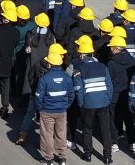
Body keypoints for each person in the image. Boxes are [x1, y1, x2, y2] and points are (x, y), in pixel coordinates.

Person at [73, 35, 115, 164]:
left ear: (82, 55)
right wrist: (107, 99)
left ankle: (88, 154)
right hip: (103, 102)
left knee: (87, 129)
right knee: (105, 129)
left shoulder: (79, 69)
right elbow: (109, 86)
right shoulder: (103, 66)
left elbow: (79, 89)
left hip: (88, 103)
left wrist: (81, 104)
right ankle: (107, 157)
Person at [35, 49, 73, 165]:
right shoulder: (67, 77)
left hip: (47, 111)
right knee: (61, 134)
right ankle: (62, 158)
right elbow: (71, 95)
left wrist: (40, 108)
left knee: (47, 135)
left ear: (49, 64)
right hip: (61, 111)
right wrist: (65, 105)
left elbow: (38, 97)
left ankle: (49, 159)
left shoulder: (44, 79)